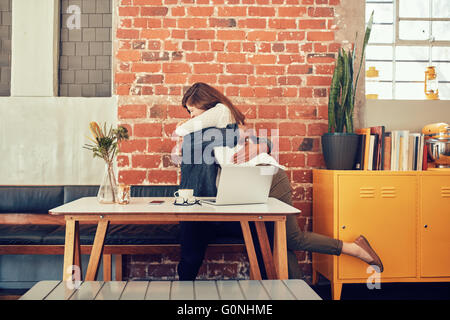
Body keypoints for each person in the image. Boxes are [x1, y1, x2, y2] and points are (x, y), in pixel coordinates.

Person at [174, 82, 383, 280]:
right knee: (279, 240)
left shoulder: (222, 114)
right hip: (249, 181)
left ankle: (355, 248)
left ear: (208, 105)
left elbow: (185, 130)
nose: (190, 116)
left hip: (268, 177)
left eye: (192, 110)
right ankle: (297, 292)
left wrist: (261, 143)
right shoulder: (217, 129)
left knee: (290, 238)